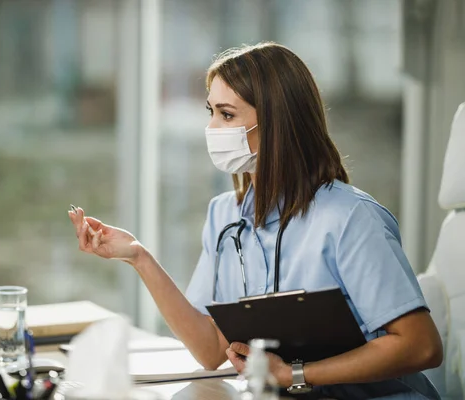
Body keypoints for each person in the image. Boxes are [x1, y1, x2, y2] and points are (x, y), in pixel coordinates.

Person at [68, 42, 442, 399]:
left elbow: (421, 346)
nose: (213, 129)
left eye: (227, 114)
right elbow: (211, 349)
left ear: (278, 122)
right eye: (211, 112)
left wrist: (294, 375)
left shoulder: (350, 218)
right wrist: (139, 257)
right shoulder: (224, 216)